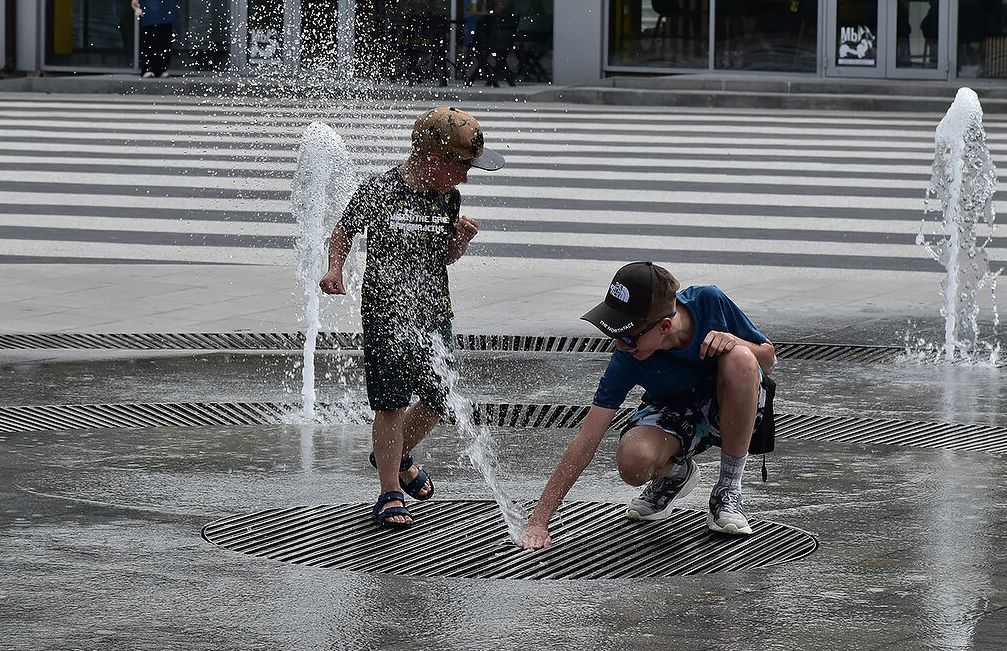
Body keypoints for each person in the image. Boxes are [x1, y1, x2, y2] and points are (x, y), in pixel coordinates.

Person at [319, 107, 504, 529]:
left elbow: (443, 259)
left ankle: (397, 453)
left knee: (440, 399)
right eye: (463, 168)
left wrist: (460, 243)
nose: (466, 178)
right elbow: (344, 231)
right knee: (391, 402)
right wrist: (336, 267)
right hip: (386, 313)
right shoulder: (380, 191)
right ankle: (389, 491)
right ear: (435, 161)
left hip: (434, 310)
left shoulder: (447, 197)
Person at [518, 262, 777, 550]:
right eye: (614, 334)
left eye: (628, 336)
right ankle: (678, 473)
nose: (620, 346)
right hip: (675, 414)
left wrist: (734, 340)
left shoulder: (709, 302)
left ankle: (728, 489)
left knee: (740, 358)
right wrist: (538, 522)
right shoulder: (626, 358)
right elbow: (586, 440)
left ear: (665, 326)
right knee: (632, 460)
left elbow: (768, 359)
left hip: (728, 406)